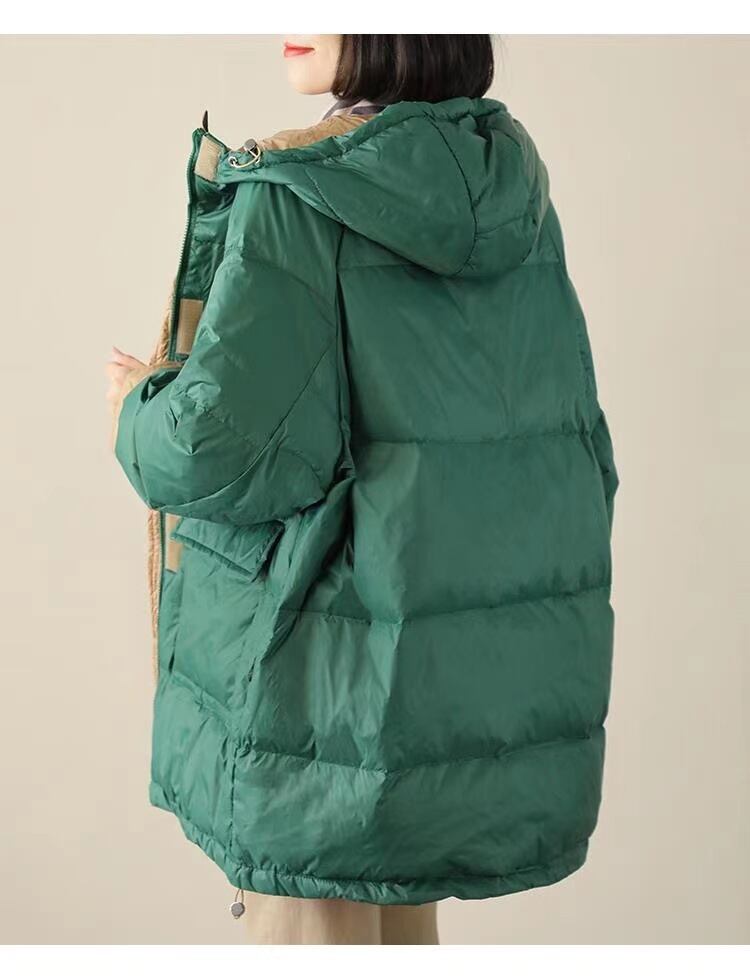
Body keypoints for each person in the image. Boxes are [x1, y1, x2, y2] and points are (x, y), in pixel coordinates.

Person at [105, 34, 619, 945]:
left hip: (321, 707)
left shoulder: (300, 196)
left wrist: (139, 403)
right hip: (441, 698)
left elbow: (221, 452)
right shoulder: (507, 190)